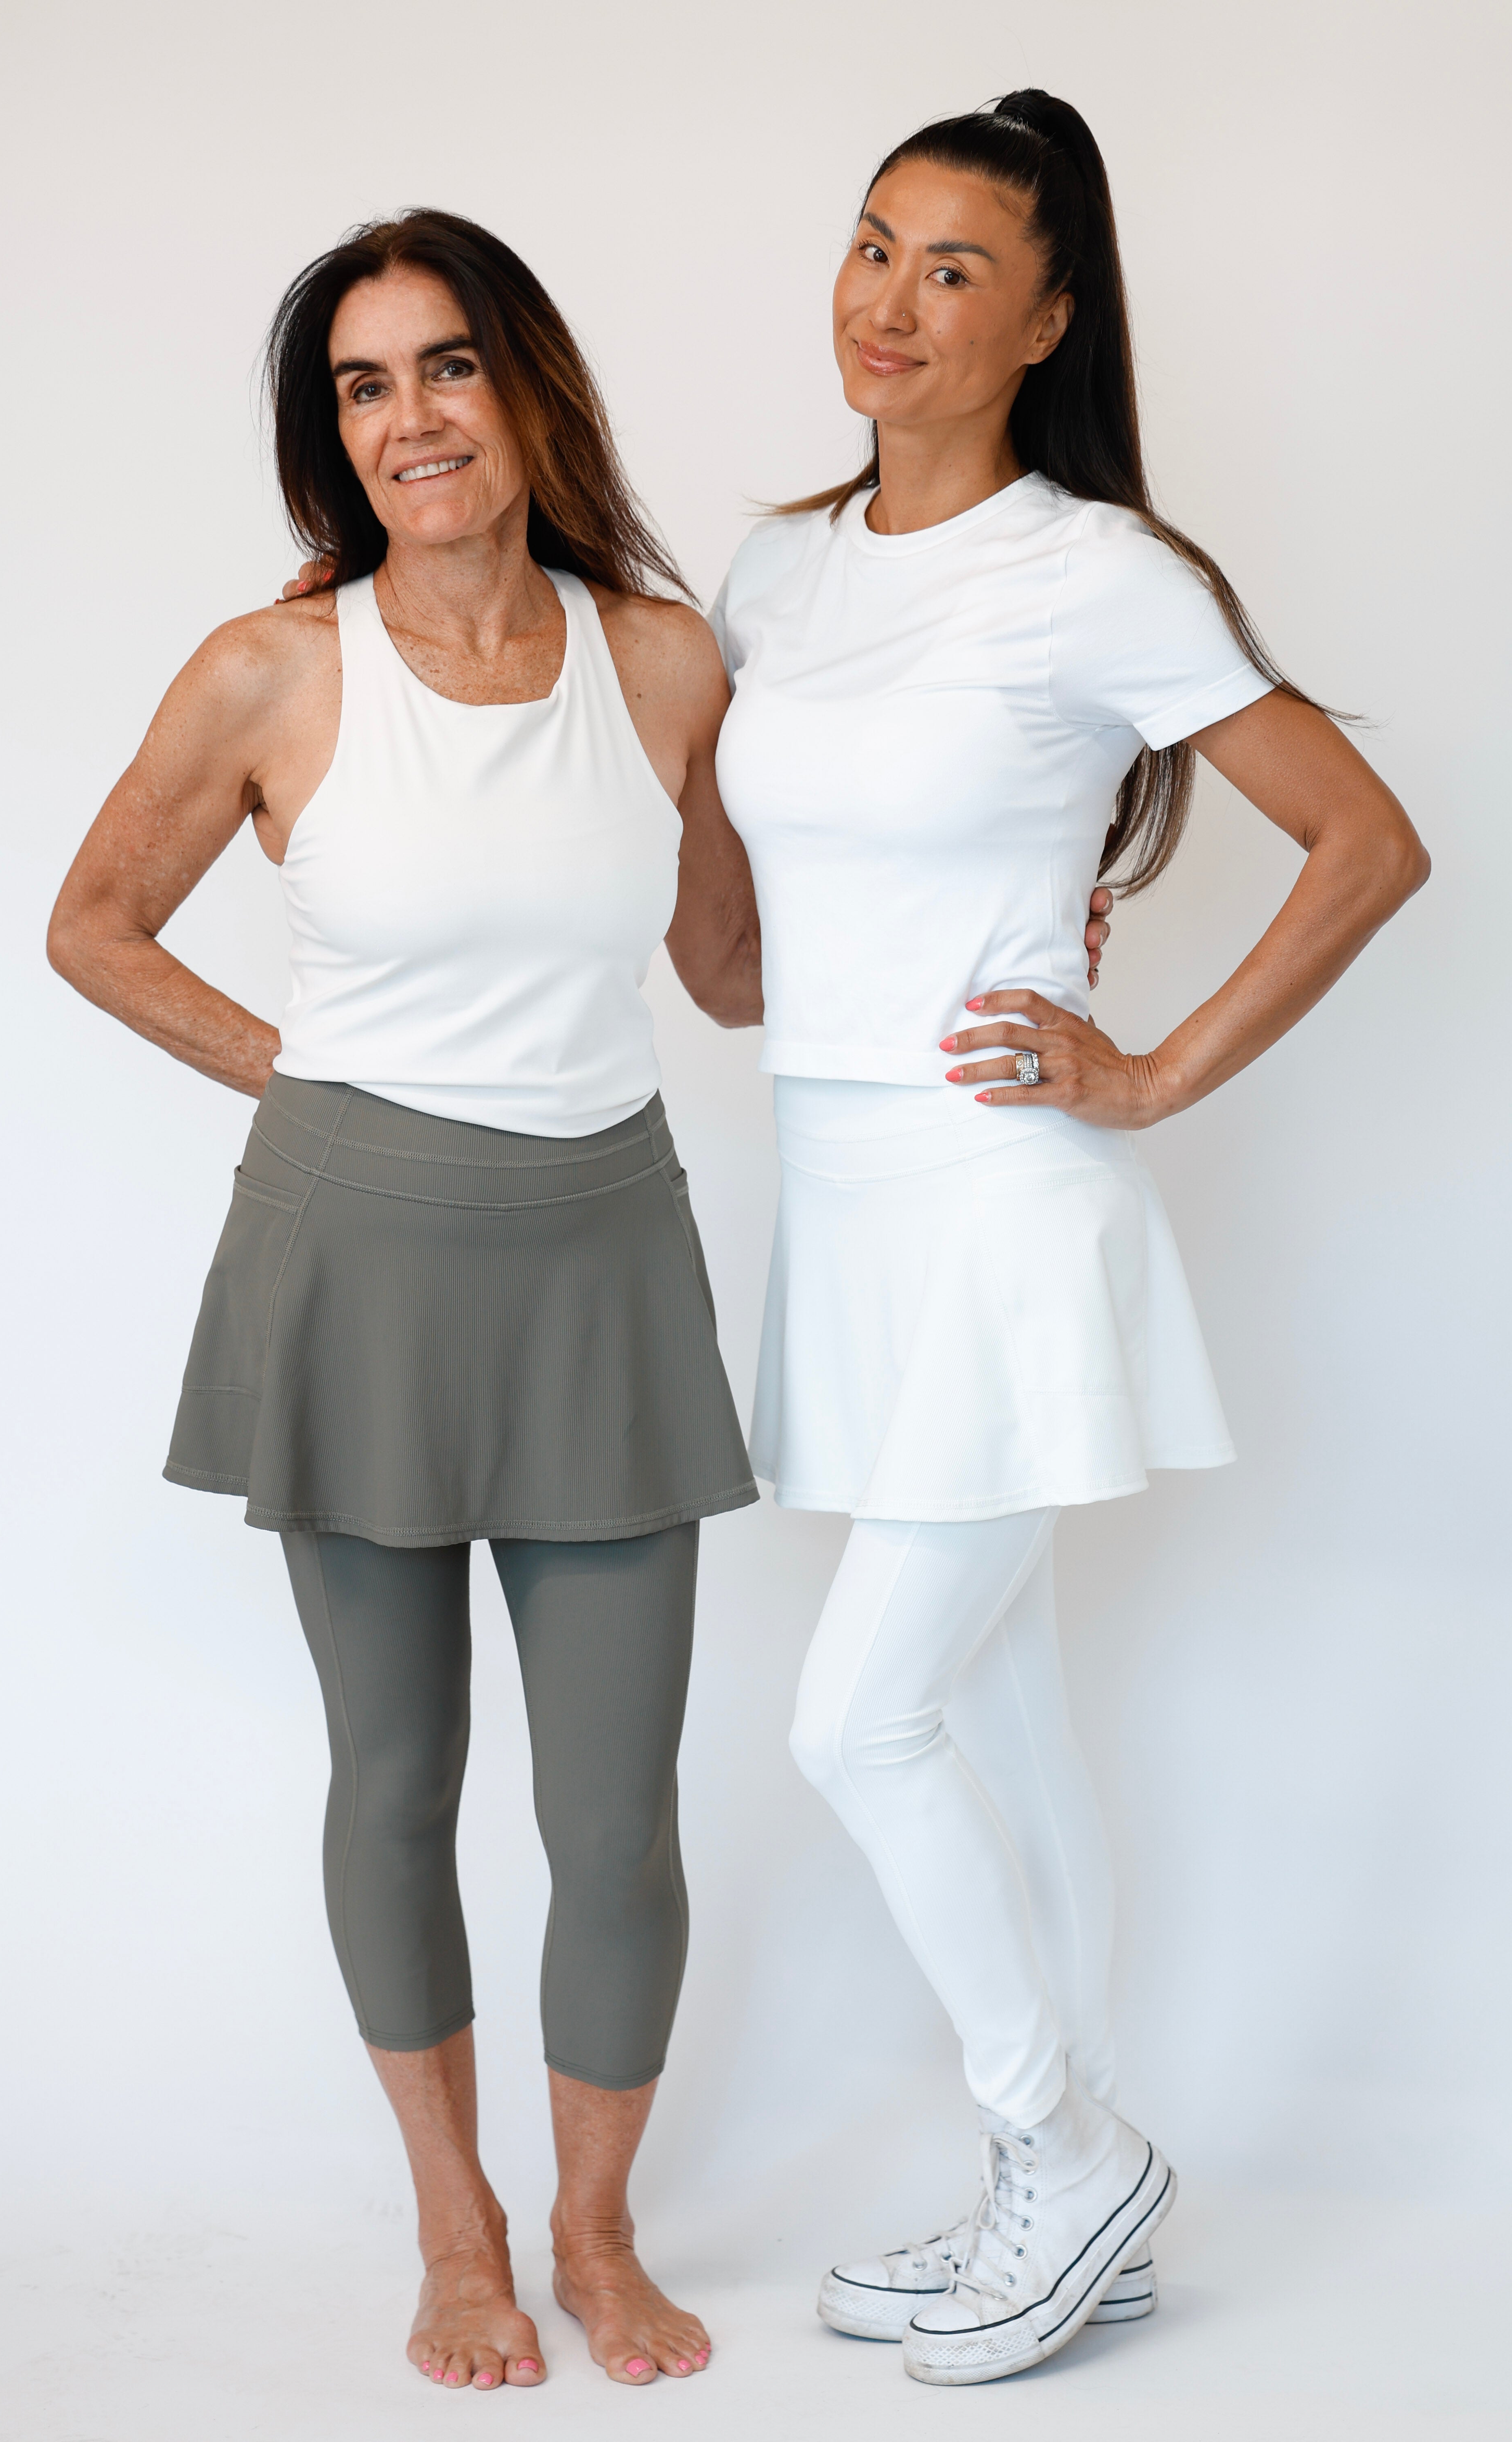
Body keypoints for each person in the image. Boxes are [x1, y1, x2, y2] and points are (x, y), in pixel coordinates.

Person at [707, 91, 1428, 2386]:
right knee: (997, 1721)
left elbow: (1367, 842)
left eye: (954, 269)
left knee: (865, 1720)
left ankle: (1067, 2141)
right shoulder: (774, 571)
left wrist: (1154, 1070)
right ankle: (1069, 2204)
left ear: (1046, 322)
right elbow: (740, 940)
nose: (892, 301)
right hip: (843, 1199)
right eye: (873, 245)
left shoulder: (1095, 574)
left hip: (1003, 1202)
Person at [46, 210, 768, 2394]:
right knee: (396, 1779)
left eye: (445, 365)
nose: (410, 419)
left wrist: (1013, 929)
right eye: (364, 387)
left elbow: (736, 971)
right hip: (351, 1257)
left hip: (604, 1261)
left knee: (617, 1811)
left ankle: (595, 2228)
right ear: (333, 435)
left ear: (528, 385)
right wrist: (319, 1080)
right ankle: (459, 2231)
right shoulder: (273, 673)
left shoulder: (664, 662)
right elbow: (95, 925)